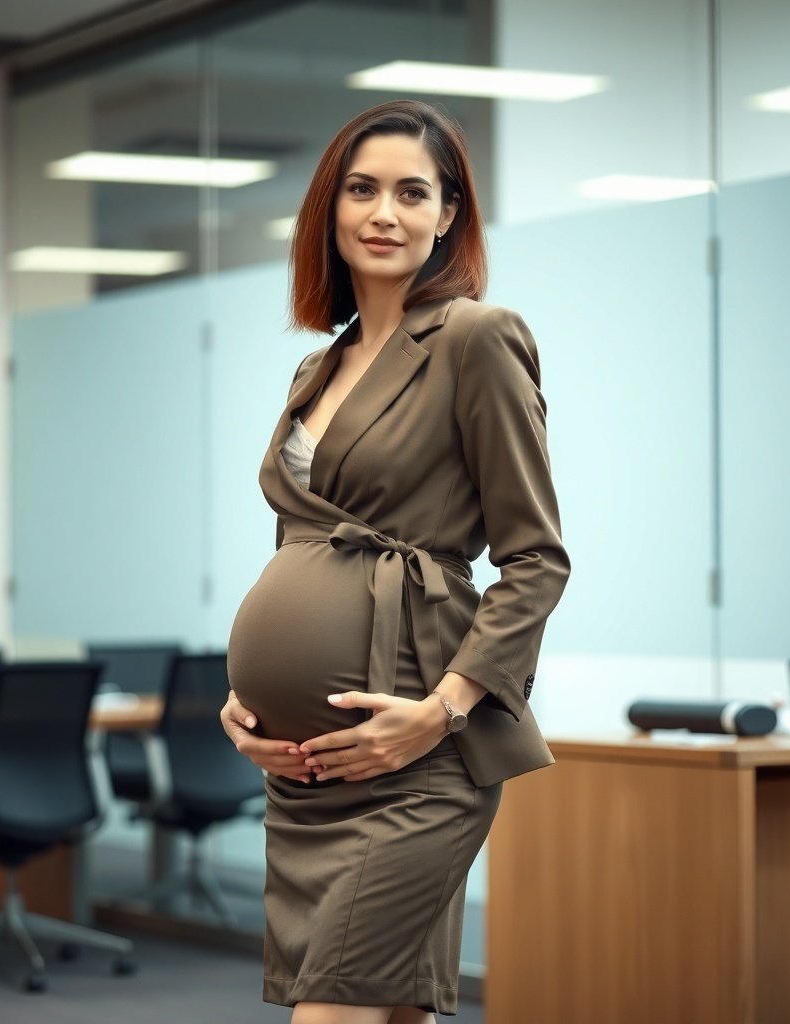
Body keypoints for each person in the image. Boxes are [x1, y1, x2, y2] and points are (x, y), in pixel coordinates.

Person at [222, 99, 570, 1024]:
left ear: (447, 215)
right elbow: (302, 541)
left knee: (328, 1009)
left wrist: (442, 714)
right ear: (329, 211)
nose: (386, 213)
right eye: (363, 189)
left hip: (419, 755)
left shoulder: (476, 339)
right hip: (309, 771)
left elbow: (536, 561)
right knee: (391, 1011)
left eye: (413, 193)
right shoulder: (318, 372)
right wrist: (245, 695)